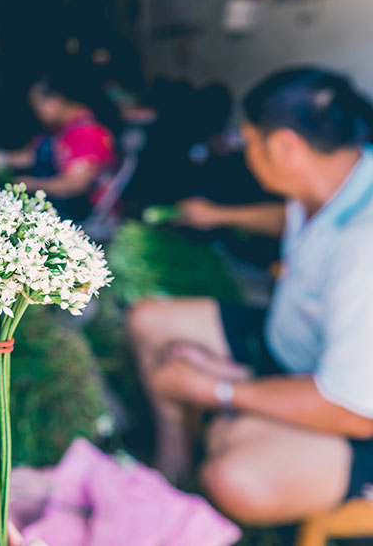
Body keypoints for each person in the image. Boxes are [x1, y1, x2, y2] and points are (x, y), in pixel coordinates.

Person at [127, 67, 373, 525]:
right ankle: (171, 475)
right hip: (294, 349)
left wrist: (218, 389)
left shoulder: (365, 247)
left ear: (284, 146)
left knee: (236, 474)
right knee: (149, 322)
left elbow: (356, 409)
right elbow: (299, 218)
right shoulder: (345, 174)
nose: (245, 154)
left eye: (248, 142)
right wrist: (219, 215)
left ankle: (213, 454)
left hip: (353, 410)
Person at [6, 65, 120, 222]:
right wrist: (5, 158)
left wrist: (30, 184)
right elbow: (32, 154)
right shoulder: (64, 130)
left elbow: (75, 185)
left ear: (55, 100)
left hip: (85, 218)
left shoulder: (87, 133)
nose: (37, 113)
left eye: (37, 105)